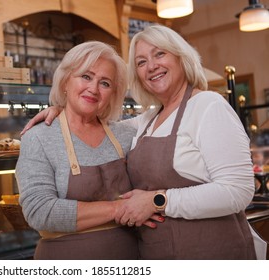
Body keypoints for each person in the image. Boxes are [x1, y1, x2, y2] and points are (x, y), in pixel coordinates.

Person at [20, 24, 267, 260]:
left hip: (210, 252)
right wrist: (58, 109)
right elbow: (39, 209)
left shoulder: (208, 105)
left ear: (181, 57)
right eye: (141, 62)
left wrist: (156, 200)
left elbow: (239, 190)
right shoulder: (146, 122)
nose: (151, 66)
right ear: (65, 81)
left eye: (160, 53)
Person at [15, 41, 162, 260]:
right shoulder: (39, 137)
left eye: (105, 83)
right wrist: (118, 209)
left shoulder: (126, 134)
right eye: (86, 77)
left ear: (113, 93)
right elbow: (40, 212)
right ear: (65, 80)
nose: (93, 89)